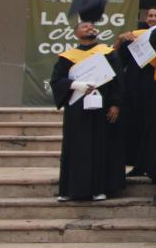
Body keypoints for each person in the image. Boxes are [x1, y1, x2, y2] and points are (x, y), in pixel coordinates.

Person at [51, 20, 125, 202]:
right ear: (76, 33)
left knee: (101, 145)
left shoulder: (108, 53)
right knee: (76, 147)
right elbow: (57, 81)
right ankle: (70, 190)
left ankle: (99, 189)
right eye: (85, 26)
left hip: (103, 107)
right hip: (77, 108)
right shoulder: (67, 57)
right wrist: (76, 85)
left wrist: (116, 104)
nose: (90, 28)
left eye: (92, 26)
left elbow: (118, 80)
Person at [113, 6, 156, 177]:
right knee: (136, 125)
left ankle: (153, 165)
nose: (153, 18)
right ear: (145, 18)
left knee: (153, 127)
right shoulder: (134, 37)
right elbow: (116, 60)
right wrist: (120, 39)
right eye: (150, 15)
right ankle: (137, 164)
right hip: (134, 86)